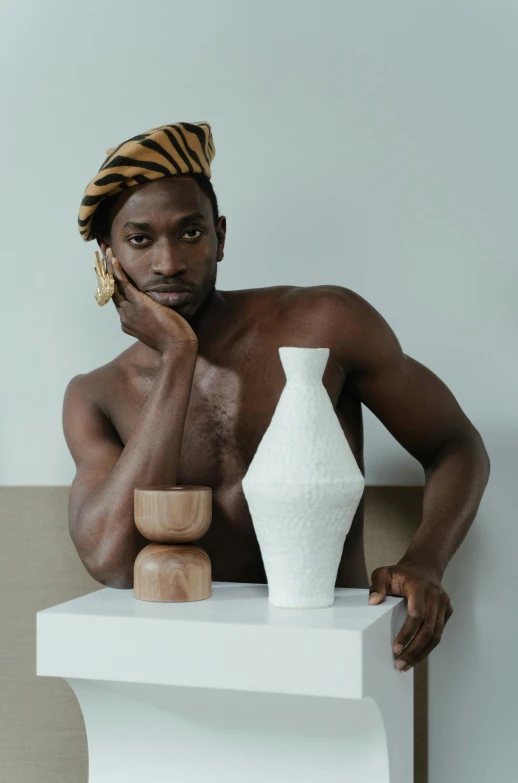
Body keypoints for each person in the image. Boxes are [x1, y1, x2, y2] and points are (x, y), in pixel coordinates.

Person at [64, 121, 490, 672]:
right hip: (183, 662)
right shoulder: (96, 396)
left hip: (332, 650)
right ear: (108, 259)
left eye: (190, 233)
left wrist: (426, 560)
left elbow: (455, 445)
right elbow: (108, 560)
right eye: (140, 240)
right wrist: (178, 356)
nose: (168, 263)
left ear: (220, 234)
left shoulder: (321, 322)